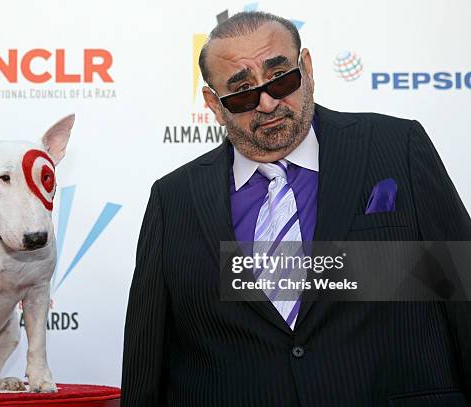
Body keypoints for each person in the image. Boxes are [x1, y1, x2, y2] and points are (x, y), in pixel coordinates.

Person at [121, 11, 471, 406]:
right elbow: (148, 357)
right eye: (242, 93)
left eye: (282, 79)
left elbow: (463, 290)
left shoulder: (396, 146)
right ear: (214, 105)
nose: (268, 103)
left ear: (306, 68)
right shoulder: (175, 199)